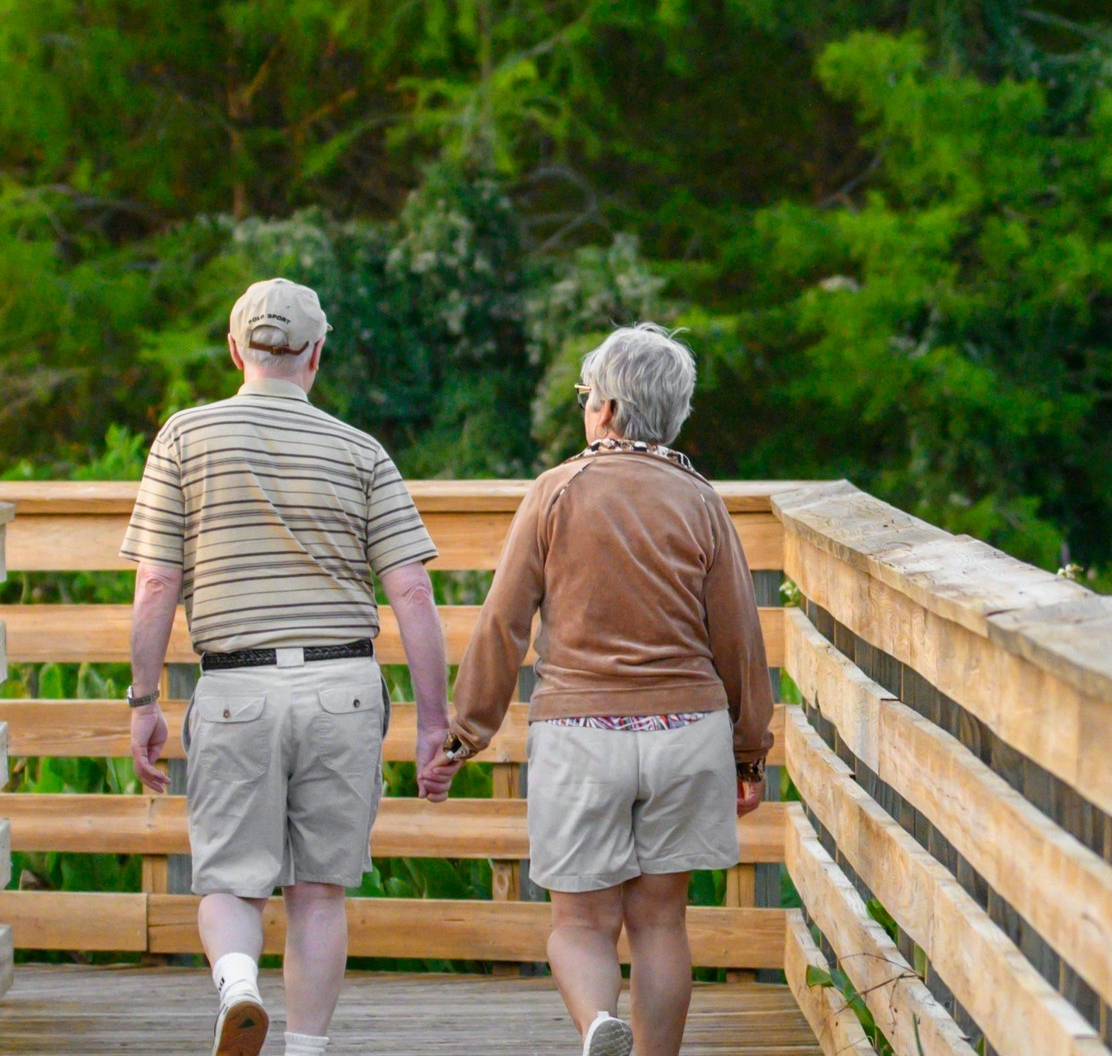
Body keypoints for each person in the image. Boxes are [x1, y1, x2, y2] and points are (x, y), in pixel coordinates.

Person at [119, 278, 456, 1056]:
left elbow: (157, 582)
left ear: (236, 349)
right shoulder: (360, 450)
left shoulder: (183, 438)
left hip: (237, 686)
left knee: (232, 880)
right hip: (342, 688)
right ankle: (306, 1049)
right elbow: (410, 589)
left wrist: (143, 700)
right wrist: (434, 723)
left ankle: (238, 983)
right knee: (318, 893)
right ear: (316, 354)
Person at [431, 323, 775, 1056]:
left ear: (609, 408)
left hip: (582, 735)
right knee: (660, 924)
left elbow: (504, 622)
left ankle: (597, 1025)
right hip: (687, 734)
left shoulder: (557, 492)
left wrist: (466, 733)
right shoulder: (701, 501)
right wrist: (748, 753)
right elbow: (738, 638)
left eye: (590, 397)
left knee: (580, 925)